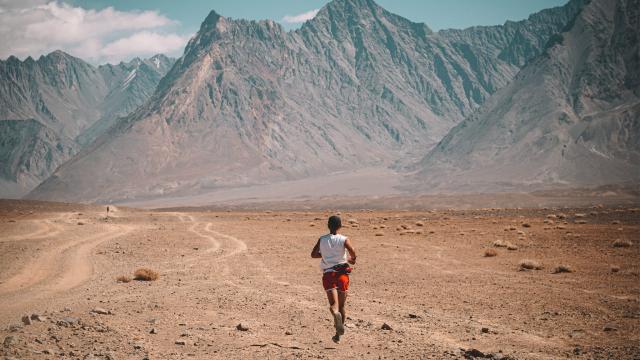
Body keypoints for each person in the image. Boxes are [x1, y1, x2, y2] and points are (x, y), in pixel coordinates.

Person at [310, 215, 357, 343]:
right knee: (342, 305)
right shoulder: (344, 239)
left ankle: (334, 313)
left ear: (328, 226)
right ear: (340, 226)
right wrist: (351, 259)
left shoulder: (322, 239)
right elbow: (352, 251)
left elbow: (313, 254)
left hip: (329, 275)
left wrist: (325, 255)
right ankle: (338, 334)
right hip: (342, 275)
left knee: (333, 305)